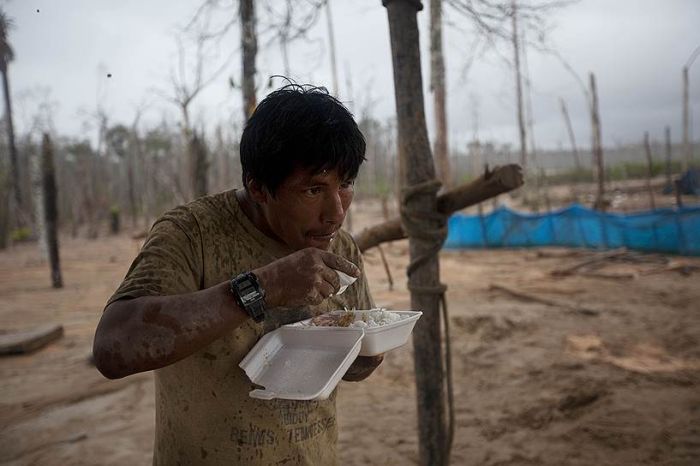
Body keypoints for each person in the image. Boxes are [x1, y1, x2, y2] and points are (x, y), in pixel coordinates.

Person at [93, 84, 383, 465]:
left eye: (344, 185)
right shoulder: (192, 233)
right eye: (314, 189)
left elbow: (356, 368)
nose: (336, 212)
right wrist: (262, 288)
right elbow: (115, 348)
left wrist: (367, 351)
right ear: (258, 187)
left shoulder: (339, 246)